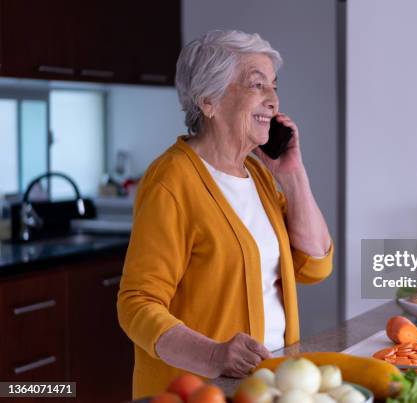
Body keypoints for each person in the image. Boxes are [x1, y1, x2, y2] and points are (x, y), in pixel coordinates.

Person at [117, 29, 334, 398]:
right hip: (195, 391)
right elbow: (137, 303)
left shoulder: (260, 176)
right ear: (208, 101)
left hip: (263, 387)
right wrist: (213, 355)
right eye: (257, 85)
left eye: (274, 86)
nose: (273, 100)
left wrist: (293, 175)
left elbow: (315, 264)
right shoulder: (172, 179)